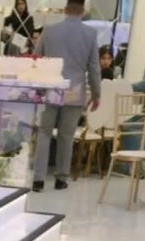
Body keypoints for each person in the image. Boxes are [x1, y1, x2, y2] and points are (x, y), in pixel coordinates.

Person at [32, 0, 101, 191]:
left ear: (65, 10)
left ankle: (38, 178)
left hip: (50, 87)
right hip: (74, 89)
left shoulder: (49, 31)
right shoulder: (90, 34)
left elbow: (36, 59)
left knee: (44, 132)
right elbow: (94, 68)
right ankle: (61, 178)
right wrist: (96, 94)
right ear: (83, 11)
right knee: (66, 135)